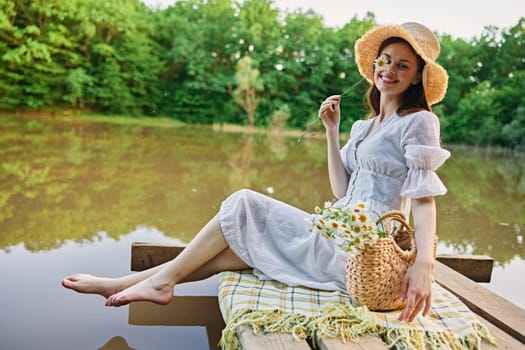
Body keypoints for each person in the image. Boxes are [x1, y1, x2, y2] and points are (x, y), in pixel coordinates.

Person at [62, 22, 450, 323]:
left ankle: (156, 282)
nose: (391, 70)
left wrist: (423, 266)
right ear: (374, 66)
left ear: (417, 77)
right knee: (233, 248)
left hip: (366, 251)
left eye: (403, 66)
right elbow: (340, 191)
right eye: (385, 61)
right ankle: (124, 284)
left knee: (244, 203)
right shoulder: (364, 127)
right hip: (336, 229)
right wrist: (332, 132)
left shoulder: (418, 123)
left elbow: (424, 200)